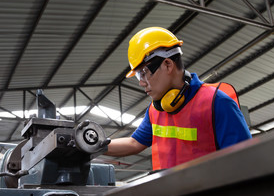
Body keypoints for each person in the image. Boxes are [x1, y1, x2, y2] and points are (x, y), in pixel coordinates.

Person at [105, 27, 251, 170]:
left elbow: (244, 162)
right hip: (172, 193)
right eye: (138, 75)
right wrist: (91, 145)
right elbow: (134, 143)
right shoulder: (155, 110)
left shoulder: (217, 103)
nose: (141, 82)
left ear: (168, 64)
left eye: (143, 73)